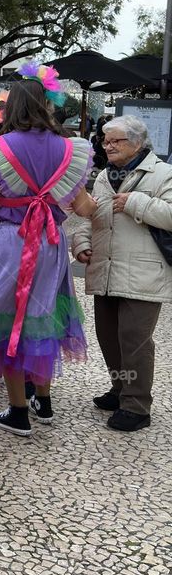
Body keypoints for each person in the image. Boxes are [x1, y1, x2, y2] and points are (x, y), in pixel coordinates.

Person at [0, 64, 95, 435]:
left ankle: (17, 410)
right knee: (45, 312)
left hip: (13, 240)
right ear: (45, 105)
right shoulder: (71, 150)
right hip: (51, 242)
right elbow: (86, 207)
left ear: (10, 108)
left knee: (8, 315)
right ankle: (44, 400)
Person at [71, 114, 172, 432]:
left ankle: (137, 405)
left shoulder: (163, 174)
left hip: (142, 271)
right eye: (105, 140)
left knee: (134, 340)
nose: (108, 145)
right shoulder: (104, 176)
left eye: (116, 140)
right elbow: (93, 216)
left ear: (138, 143)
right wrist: (82, 242)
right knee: (109, 337)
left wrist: (136, 202)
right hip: (106, 267)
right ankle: (120, 390)